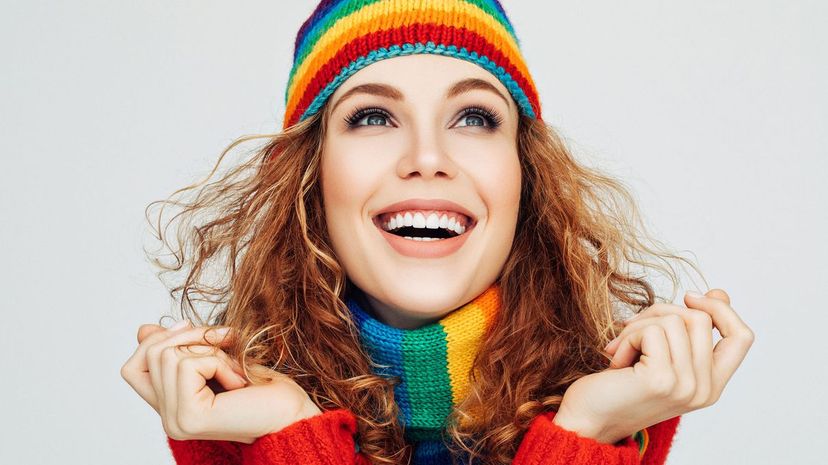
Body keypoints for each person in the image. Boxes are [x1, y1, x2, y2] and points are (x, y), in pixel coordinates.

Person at [121, 1, 755, 464]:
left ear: (527, 174)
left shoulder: (623, 404)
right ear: (306, 177)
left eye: (474, 117)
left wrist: (586, 432)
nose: (427, 157)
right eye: (373, 116)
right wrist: (289, 434)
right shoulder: (231, 417)